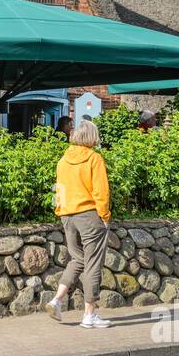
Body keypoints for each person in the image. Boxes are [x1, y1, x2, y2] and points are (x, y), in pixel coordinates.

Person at [46, 119, 113, 328]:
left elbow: (59, 189)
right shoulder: (94, 159)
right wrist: (105, 215)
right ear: (92, 136)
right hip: (89, 215)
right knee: (93, 263)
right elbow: (100, 191)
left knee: (77, 260)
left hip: (67, 215)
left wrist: (60, 210)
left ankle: (56, 300)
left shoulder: (63, 160)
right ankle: (89, 314)